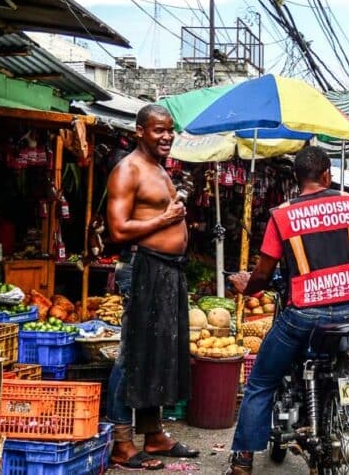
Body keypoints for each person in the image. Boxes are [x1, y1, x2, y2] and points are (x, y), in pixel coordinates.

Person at [225, 147, 349, 475]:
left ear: (296, 179)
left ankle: (243, 460)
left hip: (302, 317)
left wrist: (244, 285)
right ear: (326, 175)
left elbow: (263, 275)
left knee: (261, 381)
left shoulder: (281, 215)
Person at [104, 106, 198, 468]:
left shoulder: (160, 169)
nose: (167, 136)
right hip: (143, 268)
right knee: (132, 355)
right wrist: (166, 218)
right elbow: (118, 230)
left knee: (159, 353)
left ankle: (154, 433)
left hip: (168, 269)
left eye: (170, 130)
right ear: (140, 130)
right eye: (159, 130)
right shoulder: (128, 169)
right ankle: (121, 441)